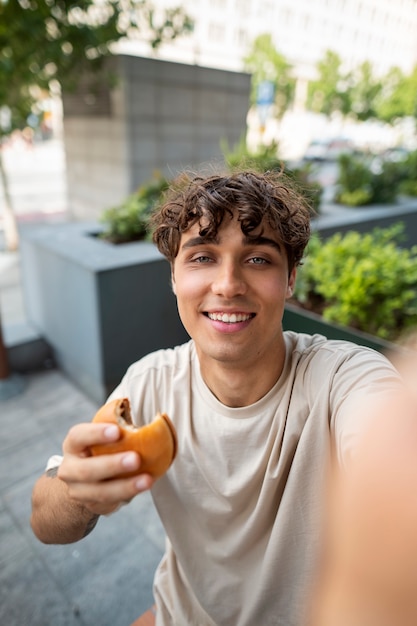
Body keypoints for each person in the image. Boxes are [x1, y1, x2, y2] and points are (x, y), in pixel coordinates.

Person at [30, 170, 402, 626]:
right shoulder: (149, 383)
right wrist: (78, 491)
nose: (228, 285)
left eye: (259, 260)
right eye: (203, 257)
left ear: (290, 280)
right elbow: (44, 522)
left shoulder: (344, 377)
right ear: (173, 276)